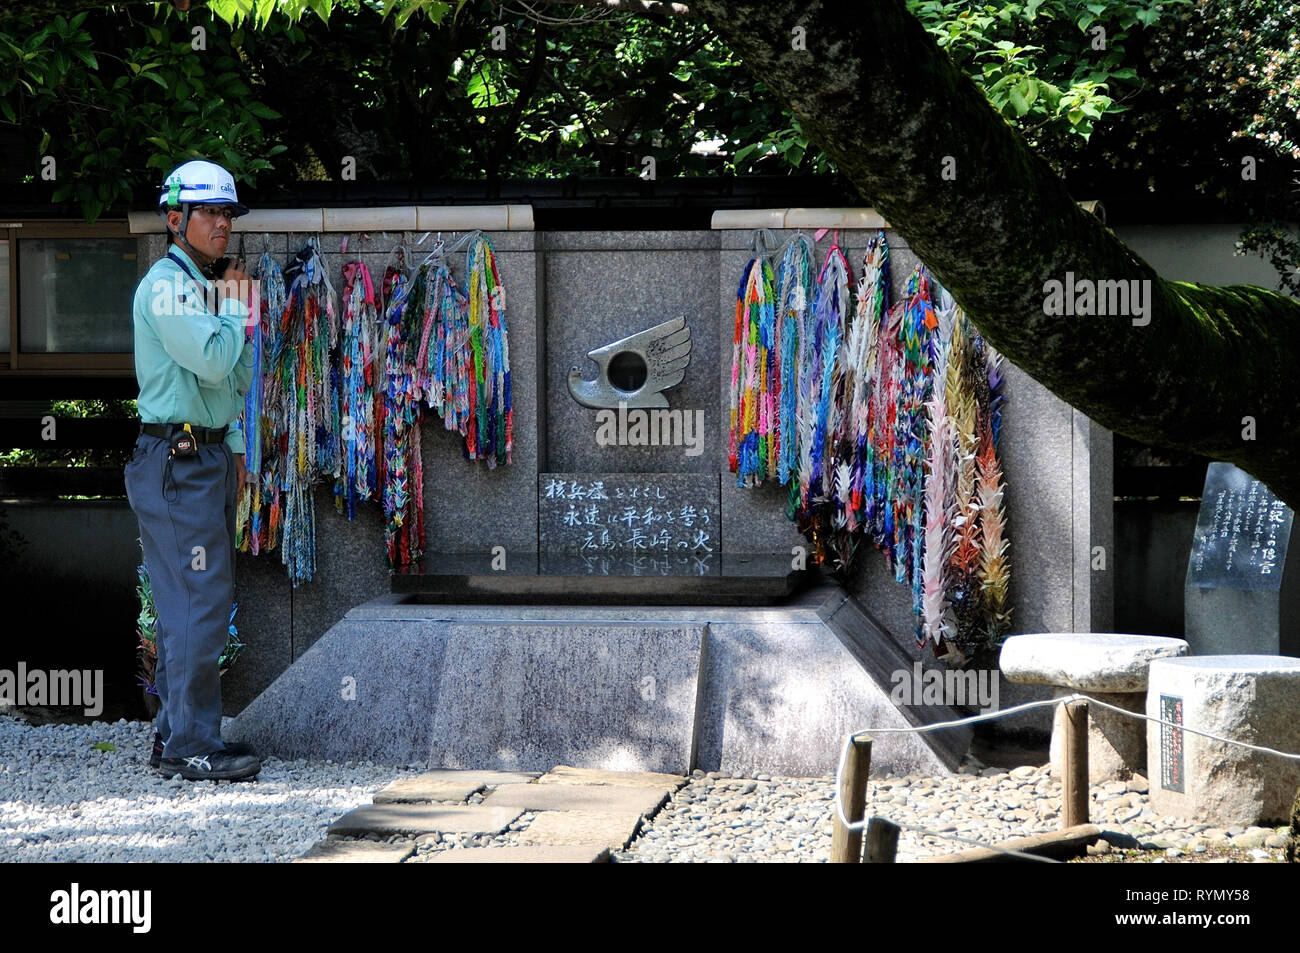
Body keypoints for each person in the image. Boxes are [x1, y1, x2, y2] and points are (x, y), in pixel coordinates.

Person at [124, 159, 260, 781]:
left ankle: (174, 736)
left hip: (200, 458)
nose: (222, 224)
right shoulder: (166, 287)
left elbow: (230, 383)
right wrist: (235, 307)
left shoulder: (200, 284)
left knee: (192, 601)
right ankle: (191, 746)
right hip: (177, 464)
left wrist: (235, 444)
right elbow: (211, 360)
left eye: (228, 213)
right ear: (175, 218)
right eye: (209, 212)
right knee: (196, 606)